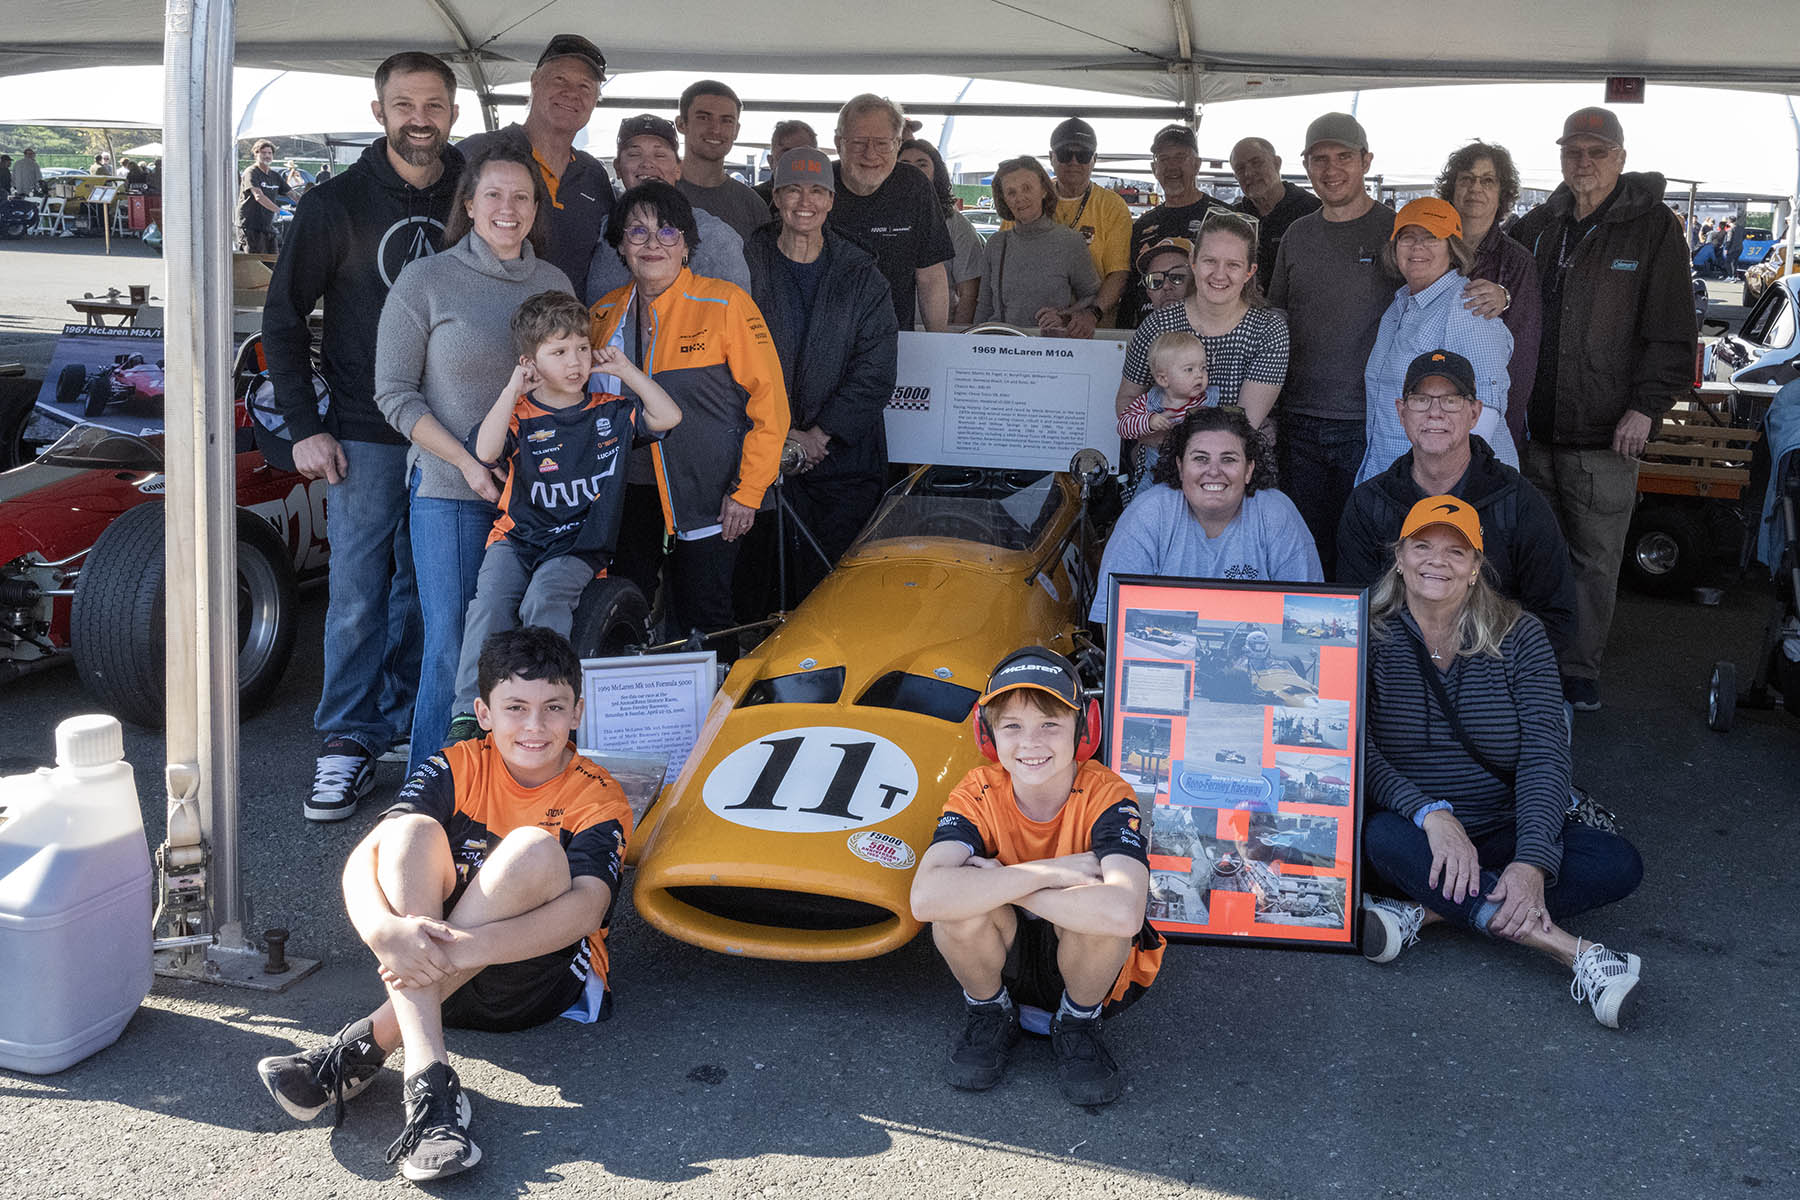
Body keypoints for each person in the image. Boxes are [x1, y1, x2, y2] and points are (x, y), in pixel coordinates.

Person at [254, 627, 635, 1181]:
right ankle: (430, 1087)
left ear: (577, 711)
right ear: (483, 713)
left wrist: (456, 950)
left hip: (529, 980)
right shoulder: (458, 762)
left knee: (532, 848)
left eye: (553, 707)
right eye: (515, 708)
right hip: (429, 976)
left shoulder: (597, 794)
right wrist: (383, 930)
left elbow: (586, 911)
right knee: (408, 834)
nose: (534, 726)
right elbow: (370, 854)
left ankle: (369, 1044)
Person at [263, 50, 465, 820]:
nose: (421, 119)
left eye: (435, 105)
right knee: (357, 593)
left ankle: (405, 726)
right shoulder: (334, 203)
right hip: (361, 430)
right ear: (379, 111)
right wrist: (304, 428)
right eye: (406, 104)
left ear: (453, 113)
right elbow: (282, 320)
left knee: (427, 587)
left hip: (450, 432)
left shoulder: (469, 193)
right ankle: (345, 739)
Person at [1357, 497, 1645, 1028]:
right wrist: (1431, 814)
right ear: (1399, 557)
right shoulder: (1366, 634)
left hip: (1501, 823)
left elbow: (1545, 751)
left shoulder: (1520, 635)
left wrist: (1532, 861)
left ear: (1474, 568)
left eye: (1455, 551)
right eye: (1422, 546)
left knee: (1618, 862)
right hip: (1416, 830)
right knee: (1378, 839)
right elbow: (1359, 752)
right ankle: (1575, 953)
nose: (1436, 561)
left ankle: (1423, 914)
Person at [375, 141, 575, 777]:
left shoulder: (552, 282)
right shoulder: (427, 280)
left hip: (537, 502)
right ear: (468, 204)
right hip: (453, 493)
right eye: (494, 194)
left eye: (522, 197)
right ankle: (429, 794)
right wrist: (466, 461)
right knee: (455, 648)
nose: (508, 209)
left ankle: (500, 792)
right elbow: (394, 394)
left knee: (523, 653)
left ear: (536, 208)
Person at [909, 647, 1164, 1107]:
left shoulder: (1109, 793)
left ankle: (1078, 1022)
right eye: (1012, 726)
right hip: (1003, 954)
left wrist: (1005, 885)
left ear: (1084, 730)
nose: (1031, 743)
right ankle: (990, 1013)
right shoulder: (977, 789)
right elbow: (926, 898)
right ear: (987, 736)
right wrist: (1054, 872)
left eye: (1050, 723)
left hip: (1083, 961)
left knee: (1099, 920)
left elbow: (1124, 912)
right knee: (955, 915)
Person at [1510, 106, 1695, 712]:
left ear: (1620, 156)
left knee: (1595, 558)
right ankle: (1536, 661)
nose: (1582, 162)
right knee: (1540, 552)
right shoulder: (1542, 222)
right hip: (1537, 430)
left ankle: (1579, 669)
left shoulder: (1653, 228)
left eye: (1596, 151)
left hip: (1606, 434)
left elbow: (1673, 330)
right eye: (1573, 151)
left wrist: (1646, 408)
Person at [446, 293, 682, 733]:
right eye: (558, 352)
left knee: (545, 598)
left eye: (581, 348)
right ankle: (469, 712)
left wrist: (625, 370)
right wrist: (513, 388)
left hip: (578, 544)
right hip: (517, 539)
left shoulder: (609, 412)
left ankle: (546, 704)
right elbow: (485, 451)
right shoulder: (519, 413)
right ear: (530, 362)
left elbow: (669, 415)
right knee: (489, 606)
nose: (574, 362)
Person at [590, 180, 790, 651]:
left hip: (711, 494)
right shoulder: (601, 315)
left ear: (687, 244)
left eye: (667, 232)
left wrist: (749, 491)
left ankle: (714, 722)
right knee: (623, 609)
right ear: (621, 244)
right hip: (627, 497)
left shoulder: (725, 304)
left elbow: (771, 404)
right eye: (637, 232)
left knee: (707, 617)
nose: (653, 243)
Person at [1337, 348, 1576, 665]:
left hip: (1499, 674)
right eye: (1421, 399)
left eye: (1451, 400)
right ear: (1401, 411)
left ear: (1475, 412)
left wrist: (1493, 678)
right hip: (1398, 677)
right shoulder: (1370, 503)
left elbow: (1557, 615)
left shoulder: (1518, 500)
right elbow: (1354, 614)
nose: (1435, 412)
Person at [742, 147, 898, 608]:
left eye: (816, 190)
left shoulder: (863, 274)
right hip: (760, 460)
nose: (803, 201)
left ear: (830, 200)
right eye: (792, 189)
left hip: (844, 465)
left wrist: (819, 434)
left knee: (835, 595)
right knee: (761, 591)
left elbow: (876, 370)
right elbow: (726, 358)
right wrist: (782, 435)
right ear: (775, 196)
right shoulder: (745, 263)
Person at [1265, 112, 1399, 575]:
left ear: (1366, 161)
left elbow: (1438, 297)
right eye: (1319, 159)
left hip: (1370, 423)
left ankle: (1371, 649)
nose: (1331, 168)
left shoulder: (1397, 232)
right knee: (1305, 551)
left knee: (1370, 553)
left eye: (1344, 157)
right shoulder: (1298, 234)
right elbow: (1275, 318)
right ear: (1305, 166)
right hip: (1298, 422)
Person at [1090, 407, 1321, 625]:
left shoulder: (1276, 514)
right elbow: (1111, 619)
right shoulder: (1149, 513)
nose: (1213, 471)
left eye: (1228, 459)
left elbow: (1305, 618)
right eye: (1200, 458)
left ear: (1249, 469)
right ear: (1180, 467)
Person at [1356, 196, 1516, 484]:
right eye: (1407, 237)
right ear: (1394, 249)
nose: (1417, 247)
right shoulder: (1399, 306)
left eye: (1431, 237)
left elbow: (1486, 413)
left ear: (1452, 248)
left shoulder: (1468, 308)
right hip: (1394, 478)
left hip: (1445, 488)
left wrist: (1447, 489)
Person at [1117, 212, 1289, 471]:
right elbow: (1127, 399)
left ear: (1249, 271)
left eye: (1233, 264)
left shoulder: (1268, 330)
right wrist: (1149, 431)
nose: (1219, 274)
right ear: (1193, 262)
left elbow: (1241, 429)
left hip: (1234, 472)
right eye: (1210, 261)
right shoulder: (1156, 324)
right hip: (1162, 468)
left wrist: (1164, 434)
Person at [454, 35, 612, 298]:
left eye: (585, 86)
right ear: (535, 82)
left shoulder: (594, 175)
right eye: (559, 79)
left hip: (566, 335)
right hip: (485, 329)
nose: (571, 93)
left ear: (595, 100)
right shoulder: (474, 153)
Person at [1435, 141, 1541, 445]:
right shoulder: (1429, 248)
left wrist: (1499, 423)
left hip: (1486, 416)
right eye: (1466, 179)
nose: (1475, 188)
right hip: (1427, 407)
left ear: (1501, 193)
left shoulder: (1517, 262)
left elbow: (1522, 356)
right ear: (1452, 188)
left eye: (1488, 180)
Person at [585, 113, 751, 304]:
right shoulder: (602, 231)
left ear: (678, 168)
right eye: (634, 154)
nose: (647, 163)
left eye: (660, 155)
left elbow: (736, 318)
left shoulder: (716, 237)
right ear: (618, 168)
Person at [827, 93, 952, 331]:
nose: (871, 154)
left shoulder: (914, 186)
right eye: (859, 142)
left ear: (897, 145)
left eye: (882, 143)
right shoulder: (817, 185)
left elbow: (930, 275)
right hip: (826, 341)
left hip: (893, 338)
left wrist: (938, 342)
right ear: (838, 143)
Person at [973, 156, 1100, 334]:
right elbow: (984, 306)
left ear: (1044, 190)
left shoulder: (1070, 242)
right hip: (1001, 349)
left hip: (1051, 351)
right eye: (1011, 192)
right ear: (1004, 200)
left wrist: (1066, 316)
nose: (1020, 198)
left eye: (1026, 188)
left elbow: (1092, 296)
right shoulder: (995, 245)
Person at [1121, 124, 1219, 327]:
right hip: (1152, 339)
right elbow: (1131, 290)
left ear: (1197, 164)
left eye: (1180, 157)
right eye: (1164, 159)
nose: (1172, 166)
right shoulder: (1142, 225)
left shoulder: (1223, 218)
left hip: (1209, 338)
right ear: (1154, 169)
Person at [1041, 117, 1132, 331]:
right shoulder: (1033, 200)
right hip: (1037, 324)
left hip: (1091, 328)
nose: (1074, 162)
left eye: (1083, 155)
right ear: (1051, 157)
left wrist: (1093, 313)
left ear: (1095, 159)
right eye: (1065, 154)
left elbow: (1118, 273)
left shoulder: (1112, 205)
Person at [898, 138, 984, 325]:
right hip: (885, 332)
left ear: (936, 173)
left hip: (936, 334)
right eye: (904, 165)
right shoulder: (881, 218)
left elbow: (969, 293)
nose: (913, 171)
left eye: (922, 164)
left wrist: (952, 339)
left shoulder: (955, 223)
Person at [675, 80, 772, 242]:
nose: (715, 129)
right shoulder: (655, 194)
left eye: (726, 120)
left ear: (736, 131)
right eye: (704, 118)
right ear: (681, 124)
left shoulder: (753, 206)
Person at [1115, 331, 1211, 479]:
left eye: (1203, 367)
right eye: (1189, 369)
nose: (1199, 374)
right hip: (1156, 474)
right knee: (1144, 500)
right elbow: (1123, 426)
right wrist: (1149, 421)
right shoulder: (1149, 402)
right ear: (1163, 379)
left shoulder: (1207, 402)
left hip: (1198, 475)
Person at [1228, 136, 1320, 281]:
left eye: (1256, 163)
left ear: (1277, 163)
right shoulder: (1232, 218)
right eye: (1240, 168)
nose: (1249, 173)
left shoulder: (1313, 211)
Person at [237, 138, 290, 254]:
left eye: (269, 153)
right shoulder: (251, 172)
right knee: (254, 265)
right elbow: (259, 196)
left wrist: (310, 200)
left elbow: (292, 194)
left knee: (273, 264)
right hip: (250, 228)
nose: (267, 156)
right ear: (256, 154)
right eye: (263, 153)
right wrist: (279, 210)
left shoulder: (274, 176)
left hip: (268, 227)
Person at [752, 119, 818, 206]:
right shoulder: (751, 199)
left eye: (802, 153)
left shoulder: (825, 199)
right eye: (787, 153)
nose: (795, 160)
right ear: (771, 161)